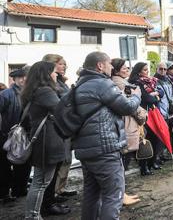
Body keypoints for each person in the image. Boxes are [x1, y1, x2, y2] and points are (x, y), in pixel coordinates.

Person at [70, 52, 142, 219]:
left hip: (86, 149)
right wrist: (137, 95)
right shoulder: (102, 84)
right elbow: (127, 107)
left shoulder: (80, 84)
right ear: (100, 66)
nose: (111, 67)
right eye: (109, 63)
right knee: (113, 195)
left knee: (92, 194)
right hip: (105, 148)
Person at [22, 61, 69, 218]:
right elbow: (62, 110)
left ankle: (33, 215)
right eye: (54, 72)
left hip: (44, 140)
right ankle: (33, 216)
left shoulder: (36, 90)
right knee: (40, 183)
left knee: (39, 181)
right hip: (46, 141)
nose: (57, 74)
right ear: (46, 74)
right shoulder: (44, 91)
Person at [111, 58, 147, 206]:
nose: (127, 70)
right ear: (117, 69)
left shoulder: (121, 82)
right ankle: (120, 195)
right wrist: (142, 115)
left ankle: (121, 193)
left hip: (127, 124)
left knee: (123, 163)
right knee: (122, 163)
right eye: (124, 68)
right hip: (126, 125)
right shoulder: (118, 83)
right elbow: (128, 104)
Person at [41, 54, 76, 207]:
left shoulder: (61, 81)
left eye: (64, 64)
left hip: (64, 128)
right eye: (61, 64)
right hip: (56, 129)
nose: (64, 67)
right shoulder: (47, 86)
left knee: (65, 161)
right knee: (54, 167)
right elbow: (61, 103)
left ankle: (58, 190)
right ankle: (51, 197)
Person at [0, 67, 31, 203]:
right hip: (6, 136)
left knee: (24, 164)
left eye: (26, 77)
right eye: (20, 77)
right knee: (4, 166)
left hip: (26, 137)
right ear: (15, 79)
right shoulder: (6, 94)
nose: (24, 79)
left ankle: (20, 190)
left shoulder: (32, 94)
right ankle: (3, 193)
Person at [128, 62, 164, 176]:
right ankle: (144, 167)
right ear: (138, 71)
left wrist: (156, 94)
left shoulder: (151, 81)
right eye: (144, 70)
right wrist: (155, 96)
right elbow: (146, 98)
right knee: (145, 140)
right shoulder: (136, 83)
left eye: (147, 69)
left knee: (156, 138)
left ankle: (152, 162)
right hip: (143, 115)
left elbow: (161, 92)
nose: (147, 72)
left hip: (154, 113)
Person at [155, 62, 173, 156]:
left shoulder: (168, 80)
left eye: (165, 69)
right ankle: (160, 155)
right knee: (162, 134)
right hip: (161, 111)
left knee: (172, 131)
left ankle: (171, 149)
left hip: (171, 111)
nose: (163, 71)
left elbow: (172, 94)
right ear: (156, 69)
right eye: (161, 69)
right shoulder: (154, 81)